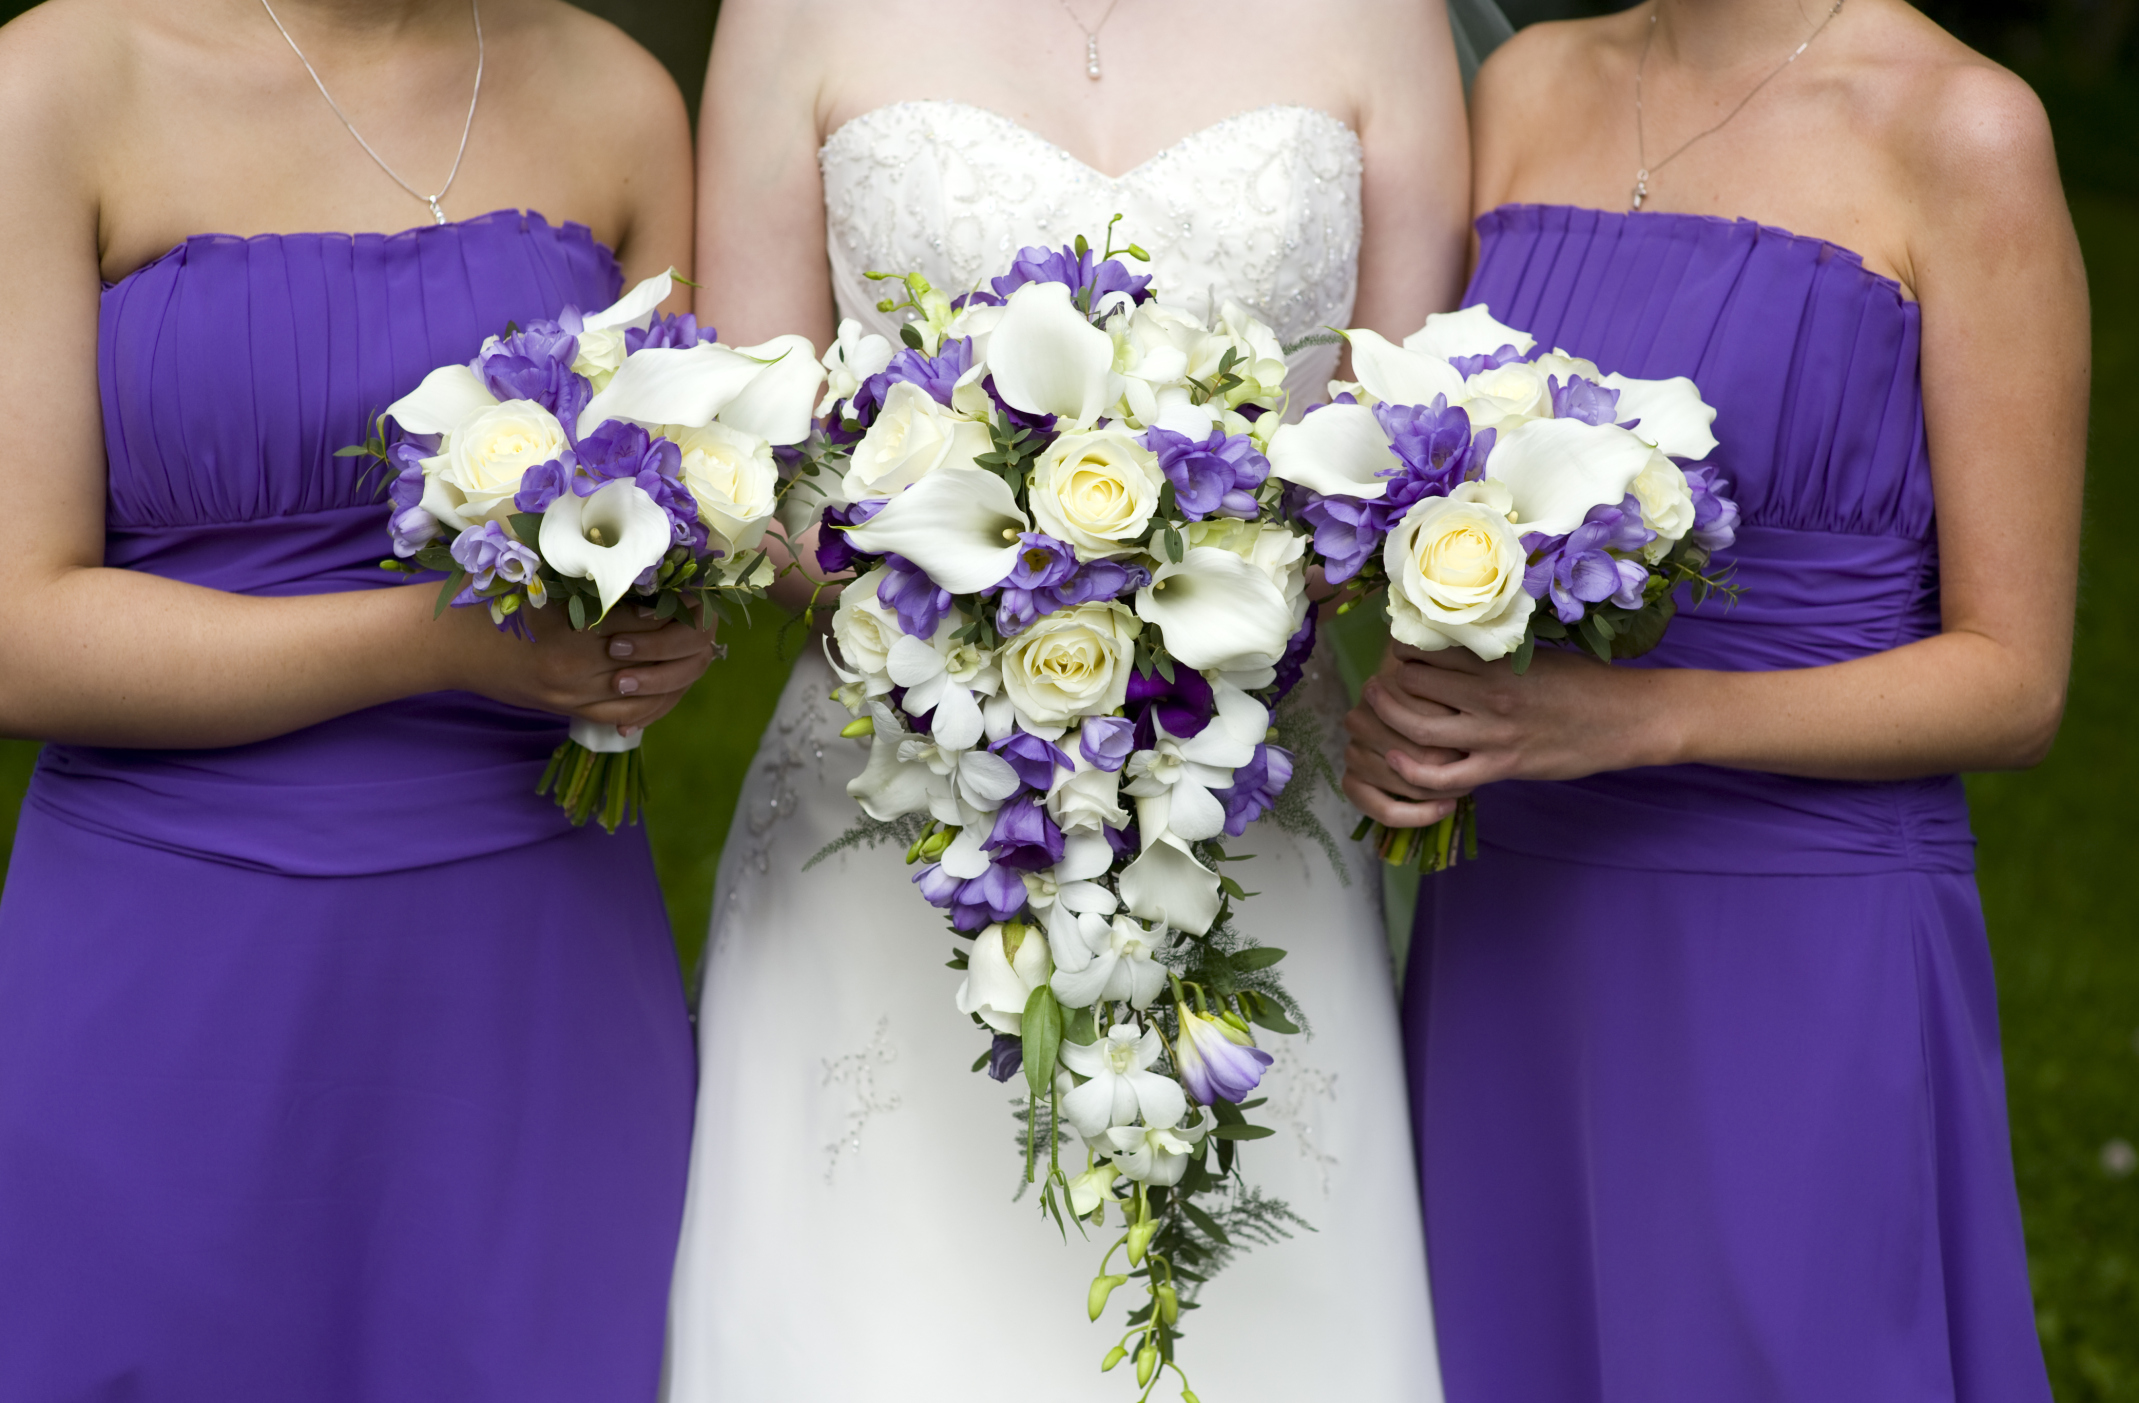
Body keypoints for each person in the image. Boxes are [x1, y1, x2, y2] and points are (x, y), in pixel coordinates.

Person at [662, 1, 1486, 1398]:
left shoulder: (1380, 16)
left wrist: (1192, 610)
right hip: (899, 789)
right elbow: (754, 462)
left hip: (1239, 790)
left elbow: (1406, 444)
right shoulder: (792, 14)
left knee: (1252, 1316)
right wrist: (984, 615)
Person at [1343, 1, 2086, 1399]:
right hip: (1516, 913)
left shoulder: (1962, 126)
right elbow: (1408, 463)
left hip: (1798, 922)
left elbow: (2016, 680)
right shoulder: (1526, 82)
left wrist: (1628, 721)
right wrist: (1414, 684)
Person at [0, 1, 707, 1397]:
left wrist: (668, 633)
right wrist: (434, 646)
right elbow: (19, 628)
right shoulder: (58, 81)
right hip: (176, 965)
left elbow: (692, 508)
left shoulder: (614, 93)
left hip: (534, 969)